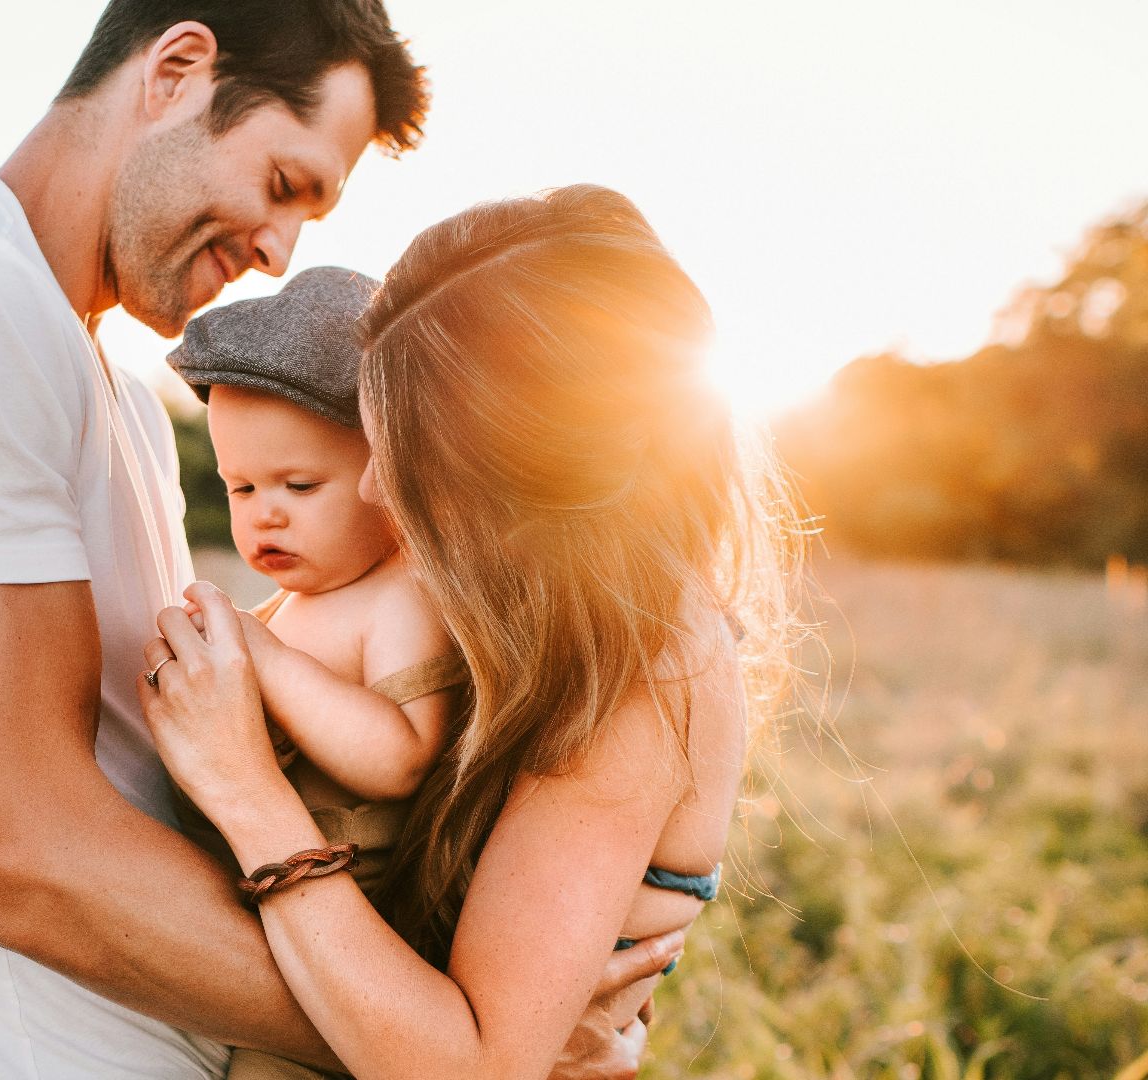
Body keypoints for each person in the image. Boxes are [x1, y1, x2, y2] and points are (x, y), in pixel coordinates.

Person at [0, 0, 673, 1072]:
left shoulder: (118, 393)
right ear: (179, 69)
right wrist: (457, 1046)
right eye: (284, 185)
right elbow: (29, 862)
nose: (281, 252)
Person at [141, 185, 803, 1079]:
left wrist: (246, 791)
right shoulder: (523, 615)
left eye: (410, 462)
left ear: (527, 479)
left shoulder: (647, 666)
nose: (376, 493)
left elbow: (469, 1069)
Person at [164, 266, 468, 1079]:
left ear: (390, 479)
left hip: (354, 931)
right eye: (241, 486)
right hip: (265, 923)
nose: (266, 511)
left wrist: (264, 660)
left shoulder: (399, 595)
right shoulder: (290, 606)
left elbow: (402, 754)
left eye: (300, 485)